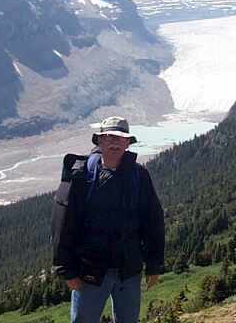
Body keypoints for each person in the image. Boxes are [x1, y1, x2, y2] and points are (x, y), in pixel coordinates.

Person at [51, 116, 165, 323]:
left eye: (120, 138)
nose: (115, 142)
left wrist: (154, 264)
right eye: (109, 137)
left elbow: (153, 221)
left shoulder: (139, 175)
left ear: (128, 143)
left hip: (129, 270)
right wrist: (66, 269)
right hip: (90, 270)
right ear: (100, 141)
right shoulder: (81, 175)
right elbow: (63, 222)